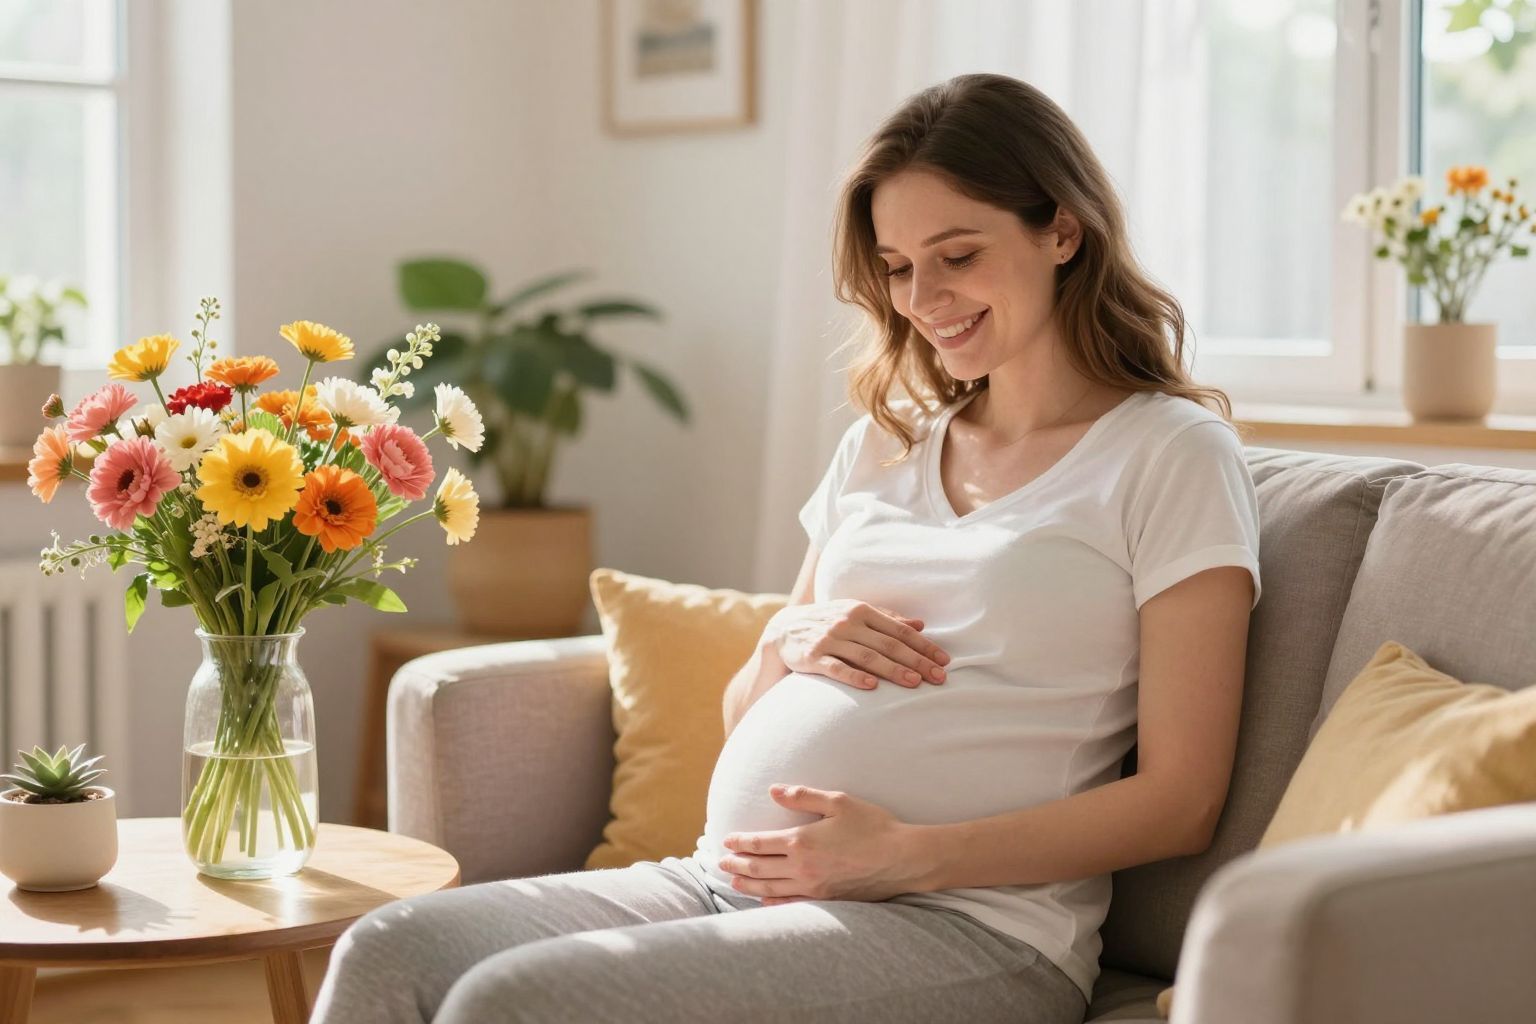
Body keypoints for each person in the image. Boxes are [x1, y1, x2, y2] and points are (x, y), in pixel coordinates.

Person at [310, 71, 1260, 1024]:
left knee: (514, 1002)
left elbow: (1183, 800)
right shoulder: (885, 443)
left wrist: (907, 853)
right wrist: (787, 641)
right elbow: (740, 710)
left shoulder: (1170, 454)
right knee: (393, 947)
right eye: (896, 267)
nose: (923, 298)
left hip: (970, 925)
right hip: (721, 881)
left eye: (957, 255)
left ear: (1061, 230)